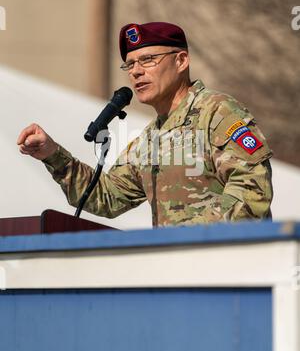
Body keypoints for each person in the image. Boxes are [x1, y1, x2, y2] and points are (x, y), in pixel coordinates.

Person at [17, 22, 273, 227]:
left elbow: (252, 189)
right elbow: (107, 198)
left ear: (181, 61)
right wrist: (53, 155)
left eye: (148, 59)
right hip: (173, 273)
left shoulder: (217, 112)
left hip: (228, 273)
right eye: (130, 64)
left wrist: (190, 240)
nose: (136, 71)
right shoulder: (151, 137)